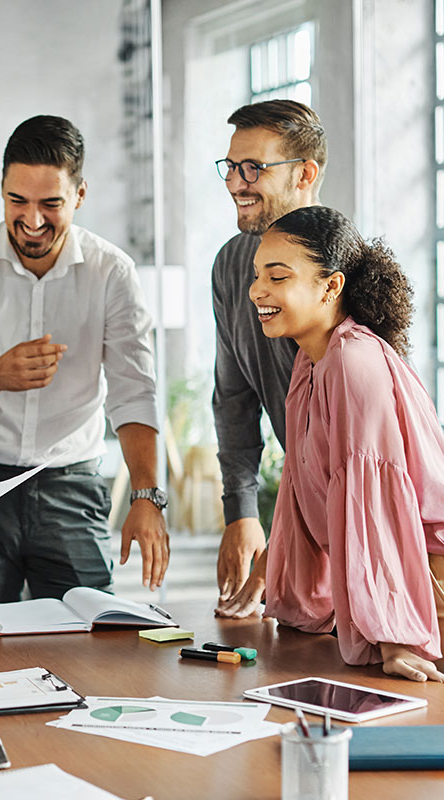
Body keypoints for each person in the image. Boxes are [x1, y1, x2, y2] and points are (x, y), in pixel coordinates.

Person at [0, 115, 170, 613]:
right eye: (17, 201)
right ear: (1, 190)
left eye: (51, 204)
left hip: (70, 483)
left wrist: (147, 496)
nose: (33, 220)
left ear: (80, 196)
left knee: (88, 639)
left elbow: (134, 391)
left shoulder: (113, 273)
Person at [251, 205, 444, 682]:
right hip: (394, 591)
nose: (258, 291)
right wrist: (293, 597)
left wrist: (395, 636)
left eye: (277, 277)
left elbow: (378, 505)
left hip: (428, 588)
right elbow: (303, 491)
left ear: (331, 286)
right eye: (258, 276)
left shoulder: (353, 361)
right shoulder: (310, 362)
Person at [211, 100, 327, 616]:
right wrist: (241, 511)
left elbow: (348, 450)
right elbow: (232, 399)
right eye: (232, 167)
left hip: (368, 518)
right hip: (306, 510)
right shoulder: (231, 264)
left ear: (304, 174)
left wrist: (278, 547)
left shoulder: (347, 271)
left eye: (254, 168)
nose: (237, 182)